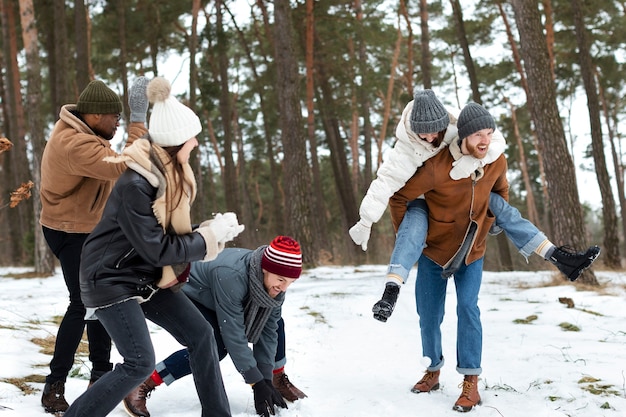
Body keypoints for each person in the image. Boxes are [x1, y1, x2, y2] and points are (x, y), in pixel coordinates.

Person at [389, 103, 595, 412]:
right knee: (429, 316)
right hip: (436, 251)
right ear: (463, 137)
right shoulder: (437, 165)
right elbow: (400, 196)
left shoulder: (497, 161)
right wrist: (410, 235)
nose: (484, 141)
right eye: (477, 135)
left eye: (489, 133)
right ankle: (432, 369)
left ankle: (470, 382)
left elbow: (502, 192)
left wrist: (491, 221)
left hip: (473, 249)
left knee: (469, 309)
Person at [62, 76, 245, 417]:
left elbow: (162, 238)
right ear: (177, 142)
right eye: (193, 138)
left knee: (202, 335)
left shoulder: (171, 174)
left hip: (146, 277)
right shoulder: (137, 182)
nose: (196, 143)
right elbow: (157, 249)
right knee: (139, 361)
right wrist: (206, 239)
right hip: (109, 279)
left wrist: (210, 232)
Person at [349, 90, 600, 322]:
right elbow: (386, 185)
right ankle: (390, 292)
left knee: (501, 206)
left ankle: (558, 256)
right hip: (422, 198)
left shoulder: (457, 124)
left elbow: (494, 141)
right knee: (413, 224)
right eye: (423, 134)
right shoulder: (405, 149)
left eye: (435, 131)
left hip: (457, 193)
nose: (430, 138)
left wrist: (474, 180)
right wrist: (366, 220)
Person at [39, 77, 150, 414]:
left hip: (87, 229)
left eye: (120, 116)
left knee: (102, 301)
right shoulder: (75, 143)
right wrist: (138, 120)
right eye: (113, 116)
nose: (117, 122)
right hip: (71, 232)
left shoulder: (85, 134)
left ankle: (100, 375)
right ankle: (54, 385)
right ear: (94, 115)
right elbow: (129, 165)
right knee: (81, 303)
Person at [123, 236, 305, 417]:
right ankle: (146, 381)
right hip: (183, 291)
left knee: (275, 323)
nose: (284, 288)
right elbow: (233, 332)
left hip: (212, 299)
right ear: (266, 268)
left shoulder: (275, 285)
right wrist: (256, 383)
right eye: (281, 280)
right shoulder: (231, 274)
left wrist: (265, 379)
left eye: (290, 282)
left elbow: (268, 330)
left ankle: (276, 379)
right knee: (213, 346)